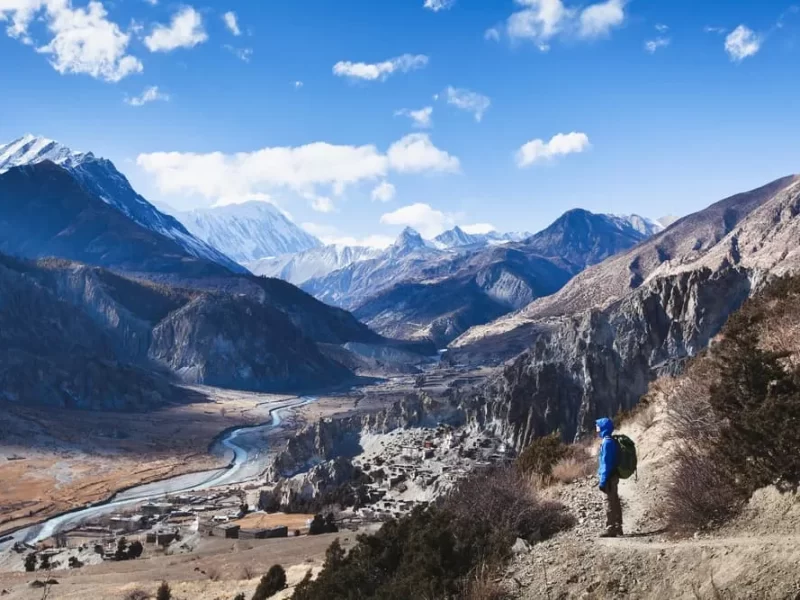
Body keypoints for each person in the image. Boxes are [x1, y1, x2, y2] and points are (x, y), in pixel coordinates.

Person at [596, 417, 623, 537]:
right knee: (615, 500)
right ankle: (618, 527)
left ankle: (610, 528)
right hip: (613, 475)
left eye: (598, 426)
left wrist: (602, 481)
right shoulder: (611, 440)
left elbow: (605, 463)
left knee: (608, 501)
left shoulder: (606, 443)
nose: (596, 428)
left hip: (609, 477)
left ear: (603, 427)